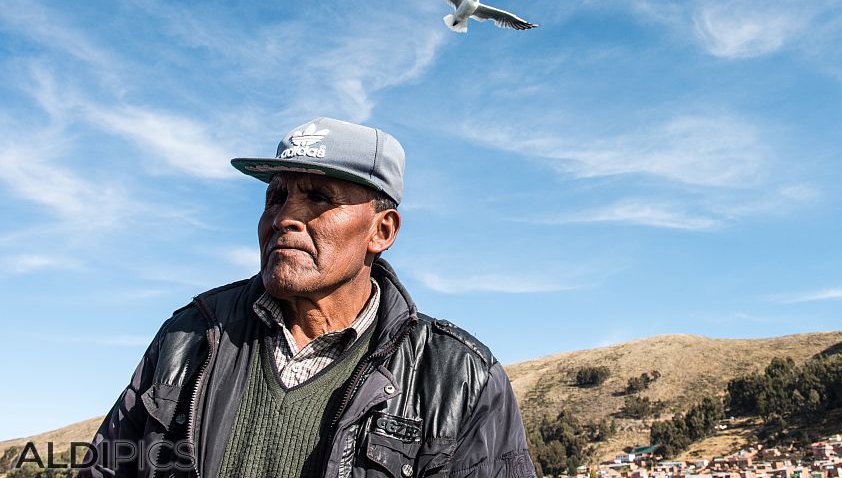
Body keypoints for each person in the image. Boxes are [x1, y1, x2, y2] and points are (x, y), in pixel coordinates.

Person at [80, 116, 535, 478]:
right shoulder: (190, 336)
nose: (284, 217)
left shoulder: (459, 376)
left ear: (382, 230)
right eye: (275, 197)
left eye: (318, 197)